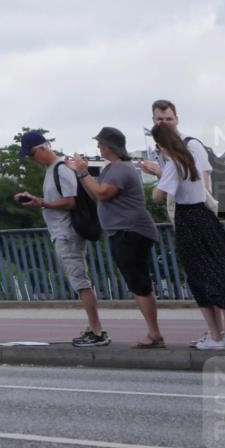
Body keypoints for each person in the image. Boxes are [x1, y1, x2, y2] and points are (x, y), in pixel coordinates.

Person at [150, 125, 225, 350]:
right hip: (205, 217)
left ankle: (216, 337)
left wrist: (159, 168)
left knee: (199, 278)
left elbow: (158, 196)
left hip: (188, 222)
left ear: (160, 145)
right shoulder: (191, 157)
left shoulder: (172, 164)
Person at [139, 98, 225, 343]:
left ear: (177, 119)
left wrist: (161, 174)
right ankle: (221, 333)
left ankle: (222, 334)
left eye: (168, 119)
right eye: (160, 119)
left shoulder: (190, 145)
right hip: (187, 215)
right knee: (211, 274)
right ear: (153, 121)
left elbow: (200, 182)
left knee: (209, 275)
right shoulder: (169, 152)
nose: (164, 123)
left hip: (195, 215)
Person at [67, 128, 163, 348]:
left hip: (130, 231)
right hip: (123, 231)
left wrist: (83, 173)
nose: (98, 147)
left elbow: (102, 193)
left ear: (109, 146)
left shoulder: (120, 169)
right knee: (136, 281)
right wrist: (81, 175)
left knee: (139, 283)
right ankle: (153, 332)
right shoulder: (111, 168)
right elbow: (96, 193)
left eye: (100, 144)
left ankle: (154, 333)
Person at [14, 131, 109, 347]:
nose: (30, 160)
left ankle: (97, 330)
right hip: (61, 232)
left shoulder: (61, 168)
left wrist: (43, 204)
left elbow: (71, 202)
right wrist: (37, 199)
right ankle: (94, 327)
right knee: (80, 281)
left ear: (42, 149)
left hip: (67, 232)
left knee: (80, 282)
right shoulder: (52, 170)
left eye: (30, 155)